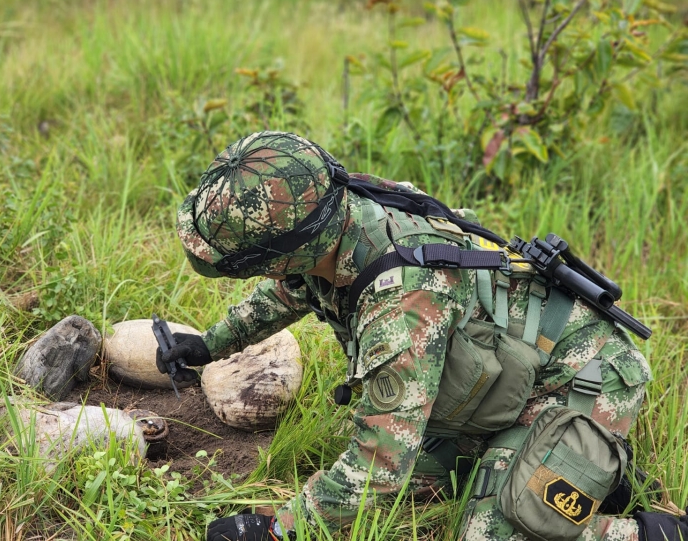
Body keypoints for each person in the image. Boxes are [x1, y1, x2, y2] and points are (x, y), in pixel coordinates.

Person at [156, 131, 686, 541]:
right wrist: (211, 343)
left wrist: (280, 530)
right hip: (503, 370)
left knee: (493, 531)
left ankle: (647, 525)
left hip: (581, 379)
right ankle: (554, 470)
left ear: (291, 249)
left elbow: (376, 469)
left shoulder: (401, 305)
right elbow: (295, 288)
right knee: (425, 478)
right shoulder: (341, 210)